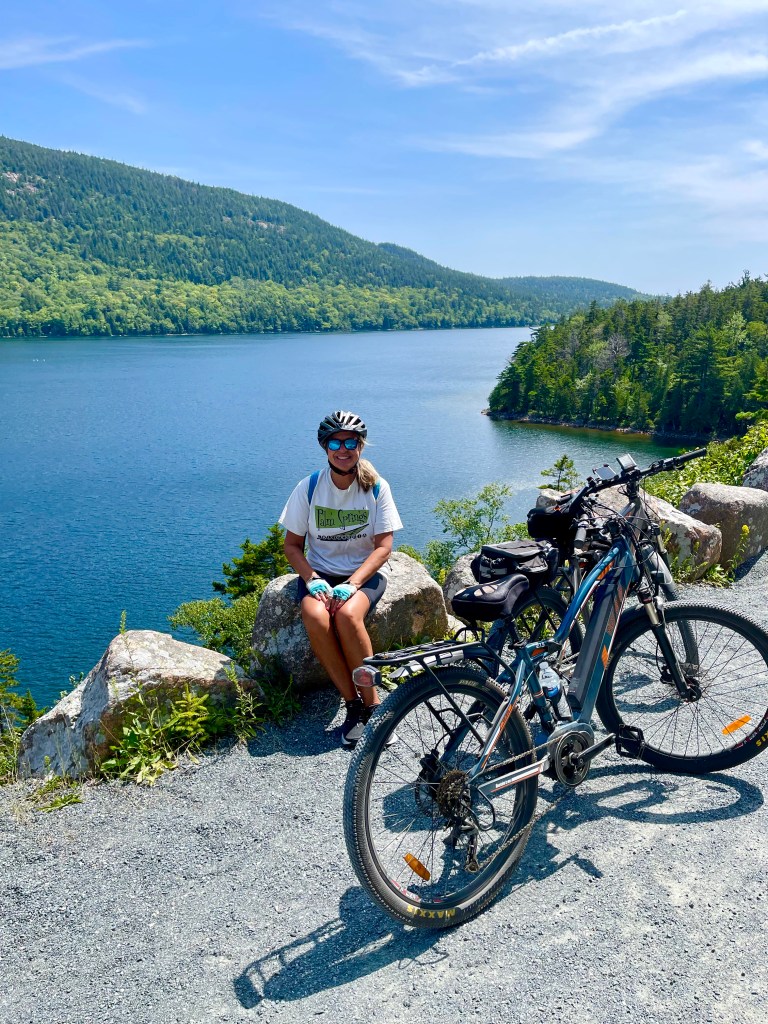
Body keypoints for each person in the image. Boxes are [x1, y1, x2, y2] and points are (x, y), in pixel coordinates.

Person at [279, 411, 403, 747]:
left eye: (350, 442)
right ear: (325, 447)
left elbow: (384, 547)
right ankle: (353, 705)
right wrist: (312, 578)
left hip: (364, 574)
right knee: (315, 616)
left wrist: (353, 583)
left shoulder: (376, 488)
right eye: (335, 443)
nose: (343, 449)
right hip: (321, 574)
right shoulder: (309, 487)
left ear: (360, 445)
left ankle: (374, 705)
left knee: (348, 615)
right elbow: (292, 546)